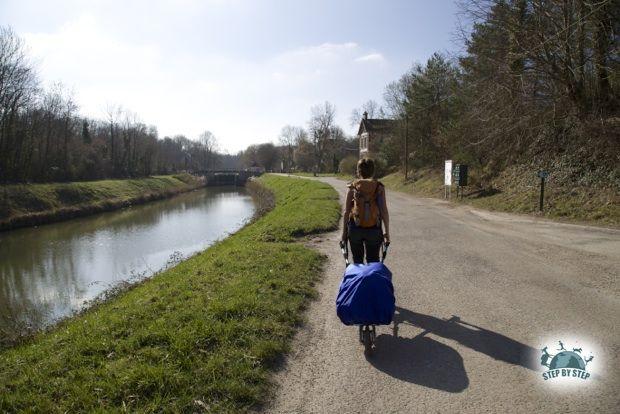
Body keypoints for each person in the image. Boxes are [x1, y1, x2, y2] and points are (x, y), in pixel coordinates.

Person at [341, 158, 390, 264]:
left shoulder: (353, 186)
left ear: (359, 171)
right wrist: (387, 232)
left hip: (355, 229)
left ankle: (359, 280)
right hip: (374, 229)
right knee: (373, 263)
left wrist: (344, 233)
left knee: (357, 262)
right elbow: (384, 211)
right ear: (373, 171)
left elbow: (346, 212)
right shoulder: (379, 187)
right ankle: (372, 281)